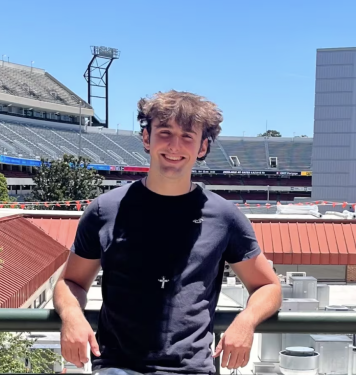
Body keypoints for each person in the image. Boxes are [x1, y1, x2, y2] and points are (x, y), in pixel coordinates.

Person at [53, 90, 282, 375]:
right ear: (147, 138)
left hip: (192, 369)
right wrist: (72, 315)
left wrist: (246, 322)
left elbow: (269, 287)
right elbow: (71, 281)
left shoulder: (225, 217)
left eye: (187, 135)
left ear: (202, 147)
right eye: (165, 132)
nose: (175, 146)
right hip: (118, 367)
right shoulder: (104, 210)